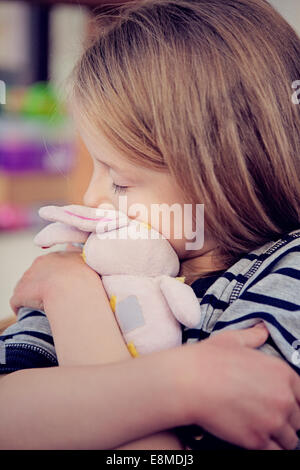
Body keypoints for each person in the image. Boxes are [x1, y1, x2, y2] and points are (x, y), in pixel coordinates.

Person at [1, 0, 300, 450]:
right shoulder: (89, 265)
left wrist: (72, 300)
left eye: (118, 179)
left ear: (223, 173)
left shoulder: (285, 276)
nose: (90, 199)